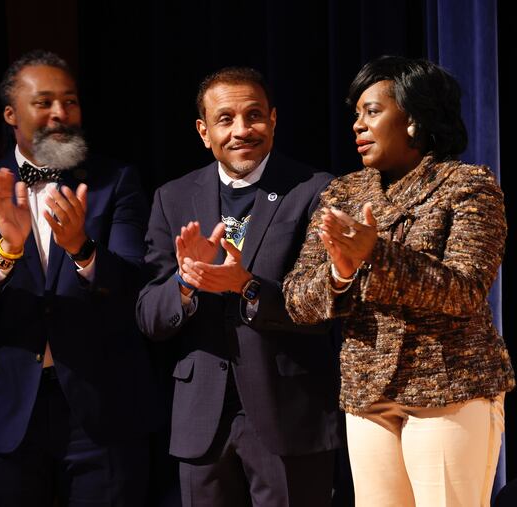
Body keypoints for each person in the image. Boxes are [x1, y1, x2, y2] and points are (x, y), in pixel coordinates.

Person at [283, 55, 515, 507]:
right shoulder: (343, 195)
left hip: (449, 390)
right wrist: (340, 273)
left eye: (372, 111)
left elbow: (466, 290)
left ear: (413, 119)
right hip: (368, 395)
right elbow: (297, 300)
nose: (357, 125)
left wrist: (376, 253)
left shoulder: (468, 186)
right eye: (356, 115)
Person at [0, 49, 159, 506]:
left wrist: (82, 248)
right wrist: (6, 251)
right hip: (1, 413)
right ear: (11, 114)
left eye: (70, 102)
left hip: (102, 411)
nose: (61, 113)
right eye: (45, 102)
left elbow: (137, 289)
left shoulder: (115, 182)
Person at [135, 67, 342, 507]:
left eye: (253, 116)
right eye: (225, 119)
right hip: (201, 420)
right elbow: (150, 315)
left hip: (290, 413)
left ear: (273, 119)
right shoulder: (171, 198)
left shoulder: (315, 190)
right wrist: (186, 282)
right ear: (203, 131)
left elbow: (324, 306)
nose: (241, 130)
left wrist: (246, 285)